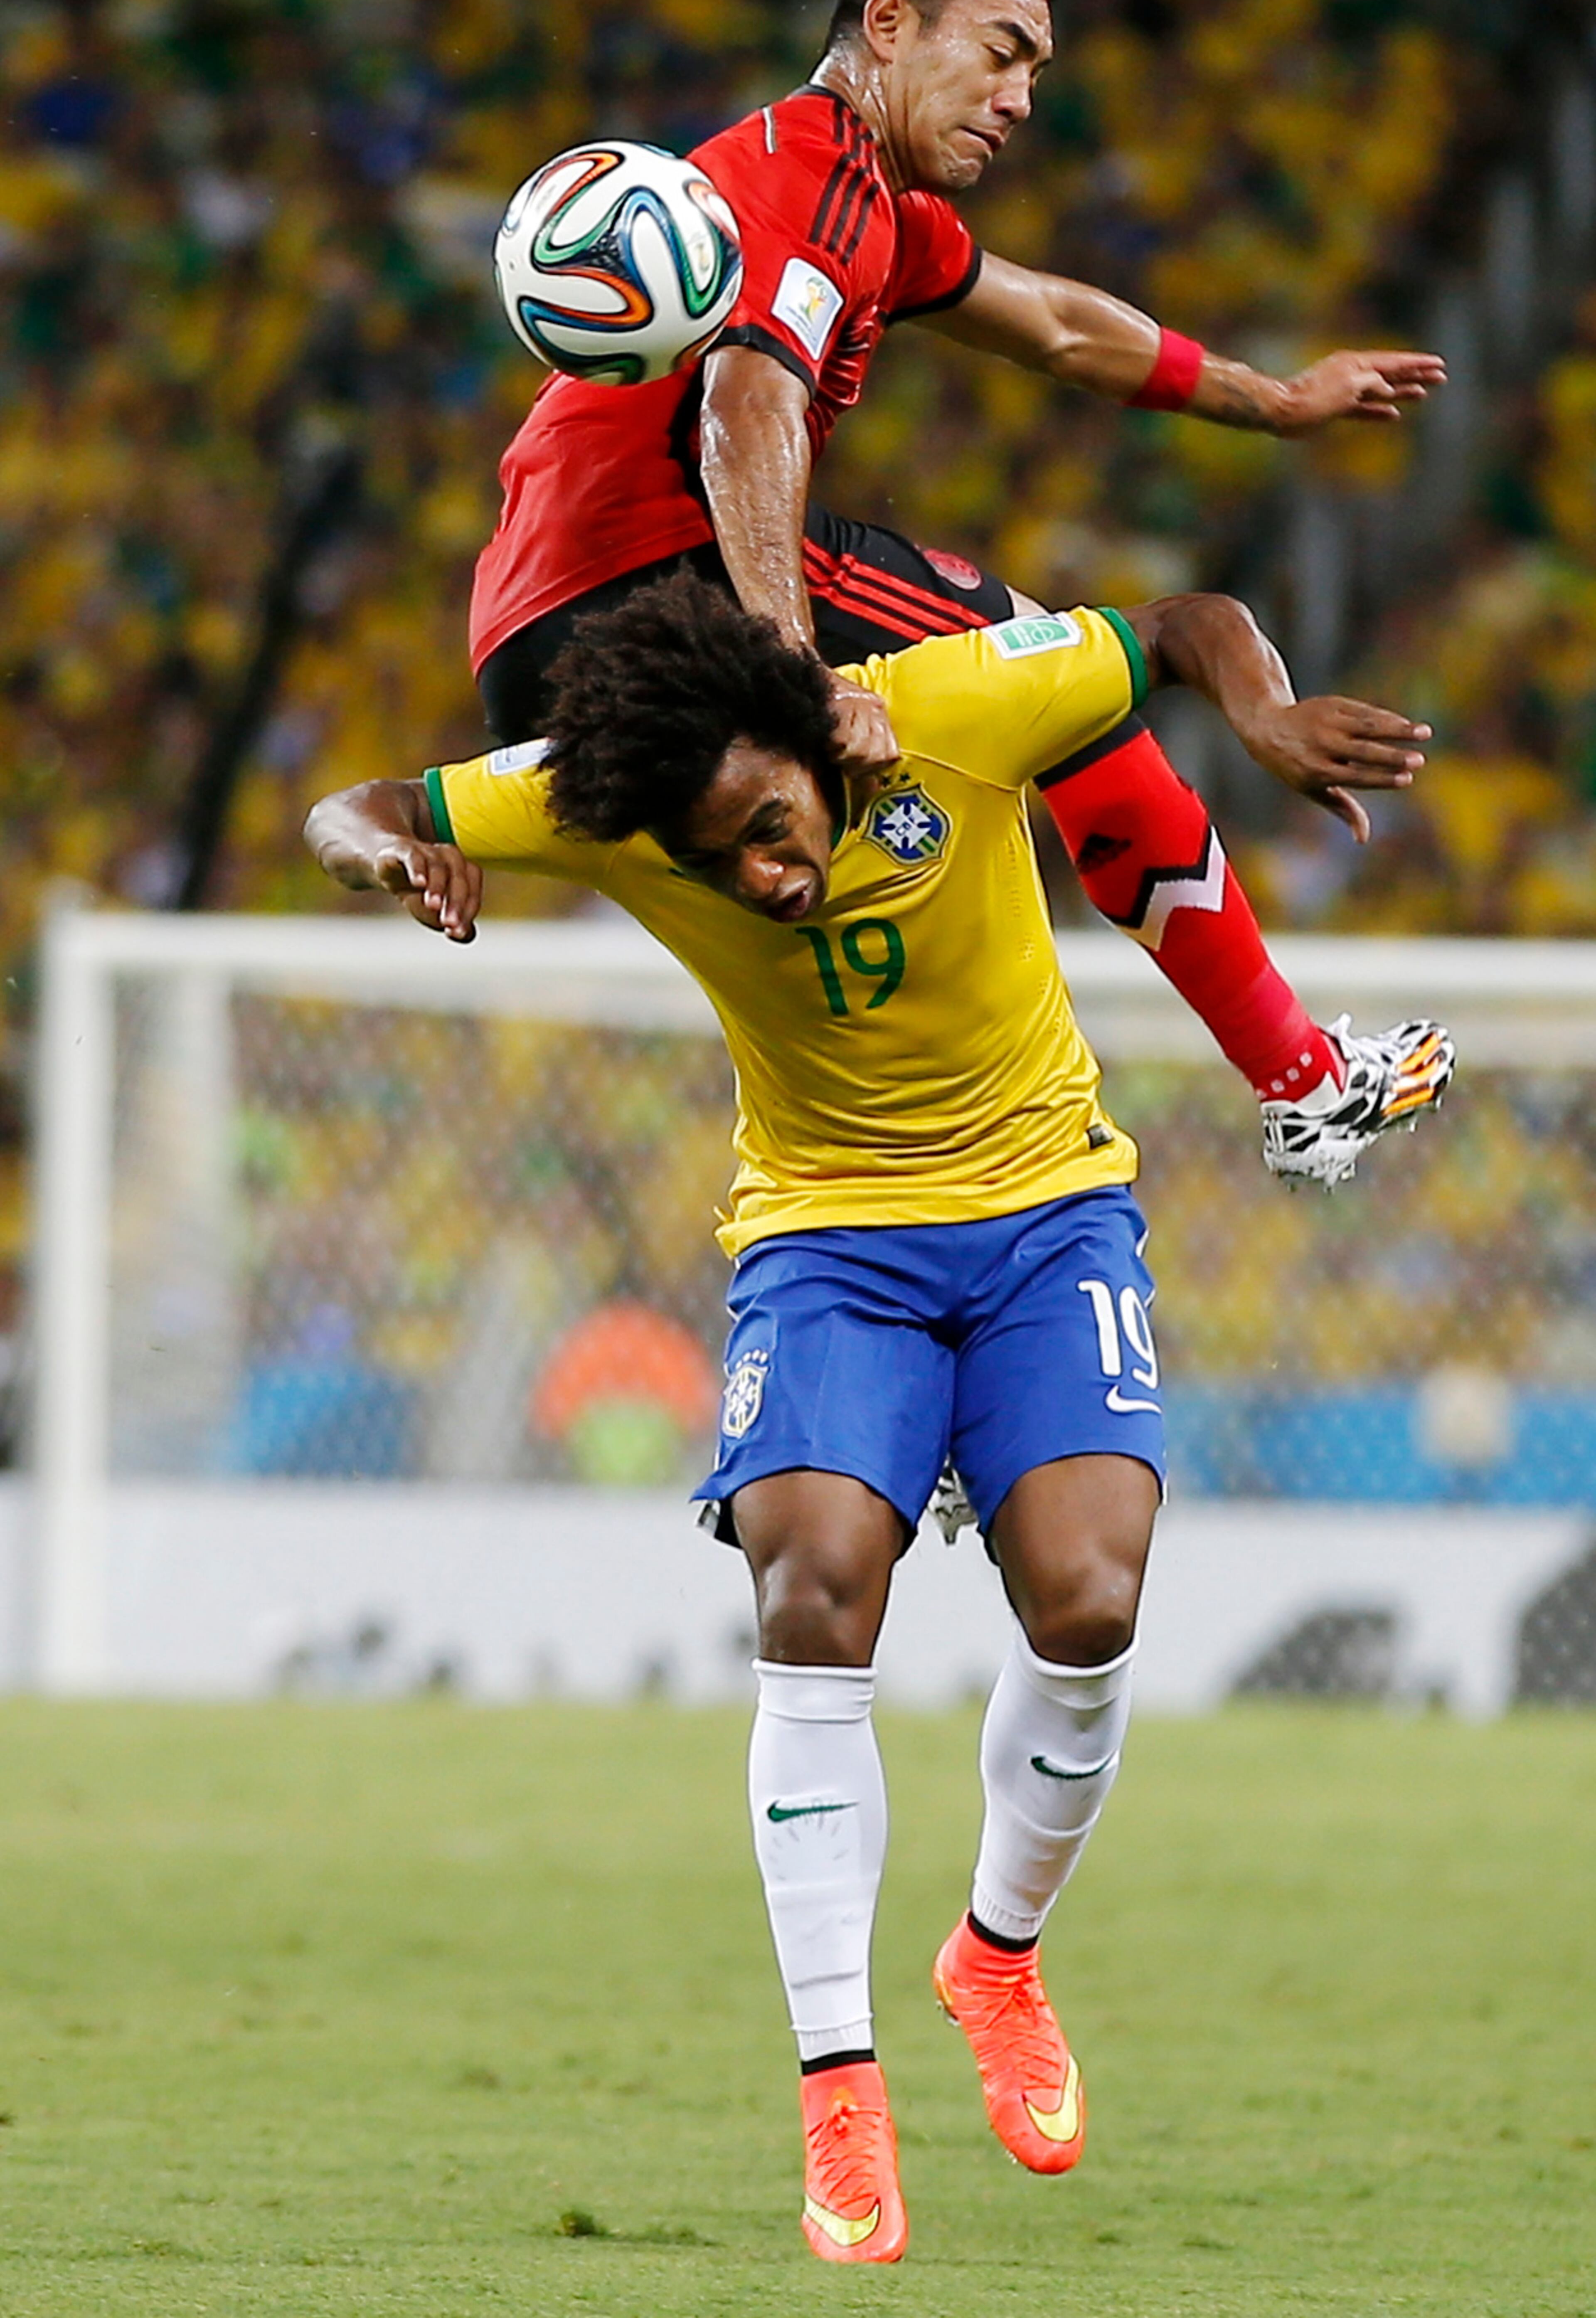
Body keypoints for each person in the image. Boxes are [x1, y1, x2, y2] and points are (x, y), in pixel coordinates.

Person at [306, 569, 1446, 2263]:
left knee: (1092, 1600)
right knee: (814, 1592)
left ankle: (996, 1958)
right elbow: (356, 806)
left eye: (773, 827)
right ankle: (838, 2087)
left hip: (1049, 1213)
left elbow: (1183, 625)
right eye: (721, 864)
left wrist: (1262, 712)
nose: (767, 879)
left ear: (813, 732)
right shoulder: (611, 794)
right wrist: (397, 859)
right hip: (827, 1242)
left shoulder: (961, 706)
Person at [468, 0, 1454, 1187]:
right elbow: (746, 411)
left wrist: (1271, 399)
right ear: (888, 25)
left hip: (529, 633)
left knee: (890, 844)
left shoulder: (863, 203)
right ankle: (1303, 1084)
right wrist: (796, 675)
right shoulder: (815, 178)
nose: (1021, 98)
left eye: (1035, 70)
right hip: (653, 575)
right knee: (1061, 687)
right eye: (1001, 51)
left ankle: (900, 1169)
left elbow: (1055, 325)